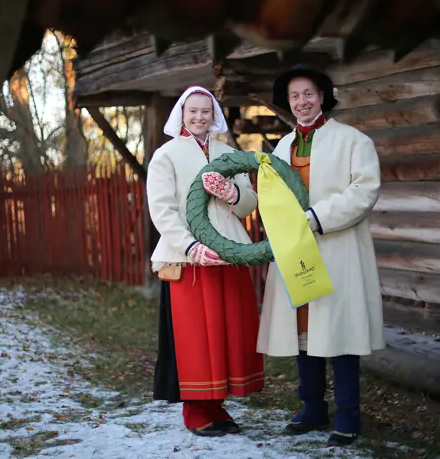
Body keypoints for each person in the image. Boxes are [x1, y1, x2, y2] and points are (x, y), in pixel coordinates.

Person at [256, 64, 385, 446]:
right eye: (294, 96)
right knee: (304, 333)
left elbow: (365, 190)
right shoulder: (281, 147)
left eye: (308, 94)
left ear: (323, 96)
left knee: (340, 333)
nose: (301, 102)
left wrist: (317, 218)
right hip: (297, 253)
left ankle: (348, 415)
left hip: (338, 249)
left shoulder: (353, 140)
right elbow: (271, 196)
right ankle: (312, 408)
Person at [147, 85, 264, 437]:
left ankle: (216, 404)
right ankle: (196, 410)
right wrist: (189, 246)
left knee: (227, 332)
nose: (199, 117)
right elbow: (162, 210)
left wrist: (234, 194)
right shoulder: (166, 155)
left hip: (228, 253)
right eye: (192, 110)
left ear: (214, 115)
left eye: (206, 111)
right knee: (196, 336)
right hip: (191, 260)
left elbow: (248, 205)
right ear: (181, 113)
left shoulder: (228, 153)